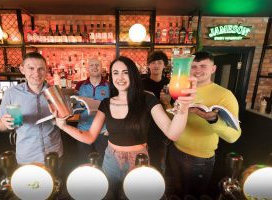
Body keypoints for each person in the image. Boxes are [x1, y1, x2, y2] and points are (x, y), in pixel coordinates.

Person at [52, 56, 197, 199]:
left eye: (125, 72)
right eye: (115, 73)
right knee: (110, 195)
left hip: (139, 160)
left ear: (133, 74)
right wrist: (63, 125)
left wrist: (183, 108)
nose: (120, 77)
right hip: (111, 160)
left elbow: (173, 134)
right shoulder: (106, 103)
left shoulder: (147, 99)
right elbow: (89, 137)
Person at [165, 51, 242, 199]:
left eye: (203, 66)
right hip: (175, 150)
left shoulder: (225, 95)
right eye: (193, 66)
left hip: (200, 159)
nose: (198, 70)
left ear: (213, 69)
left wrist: (212, 119)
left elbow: (234, 136)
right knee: (176, 191)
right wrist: (167, 104)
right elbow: (173, 119)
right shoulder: (183, 91)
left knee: (193, 196)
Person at [0, 52, 63, 165]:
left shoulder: (55, 92)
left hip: (54, 154)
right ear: (22, 69)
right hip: (27, 157)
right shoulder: (11, 93)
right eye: (31, 68)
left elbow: (63, 119)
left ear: (46, 70)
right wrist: (4, 123)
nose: (36, 73)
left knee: (56, 182)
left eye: (41, 69)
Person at [74, 58, 110, 165]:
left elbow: (113, 109)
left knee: (102, 163)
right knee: (85, 163)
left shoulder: (110, 85)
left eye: (97, 65)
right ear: (87, 69)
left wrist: (110, 128)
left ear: (102, 68)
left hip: (103, 132)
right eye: (92, 65)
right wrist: (80, 104)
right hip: (83, 130)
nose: (94, 67)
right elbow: (75, 110)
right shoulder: (80, 85)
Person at [142, 51, 170, 172]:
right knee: (142, 159)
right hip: (145, 127)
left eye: (159, 62)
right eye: (153, 62)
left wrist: (167, 102)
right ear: (148, 65)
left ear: (165, 65)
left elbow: (176, 109)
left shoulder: (170, 84)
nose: (156, 65)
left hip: (162, 129)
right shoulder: (141, 84)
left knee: (158, 161)